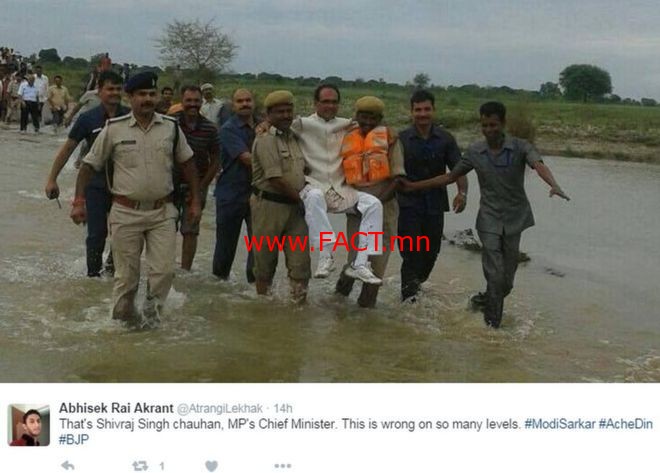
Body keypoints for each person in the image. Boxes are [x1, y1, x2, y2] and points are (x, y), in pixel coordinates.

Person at [401, 101, 570, 328]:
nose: (489, 130)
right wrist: (414, 186)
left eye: (493, 125)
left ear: (503, 123)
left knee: (506, 283)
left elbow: (538, 165)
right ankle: (492, 330)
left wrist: (554, 185)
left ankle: (481, 301)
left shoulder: (521, 147)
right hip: (488, 219)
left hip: (515, 218)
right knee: (495, 275)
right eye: (485, 125)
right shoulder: (475, 151)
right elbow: (450, 176)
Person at [70, 72, 201, 328]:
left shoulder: (171, 128)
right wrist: (78, 202)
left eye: (152, 94)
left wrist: (196, 201)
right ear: (130, 98)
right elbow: (88, 166)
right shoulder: (114, 129)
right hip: (126, 212)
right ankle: (122, 327)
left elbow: (188, 164)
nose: (148, 99)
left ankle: (151, 321)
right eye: (142, 94)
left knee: (164, 272)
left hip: (162, 212)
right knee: (127, 278)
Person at [292, 84, 384, 283]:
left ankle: (360, 263)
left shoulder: (347, 124)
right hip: (315, 185)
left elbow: (373, 125)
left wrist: (390, 134)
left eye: (334, 102)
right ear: (315, 103)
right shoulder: (301, 124)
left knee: (374, 204)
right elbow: (277, 126)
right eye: (325, 101)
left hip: (341, 189)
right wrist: (264, 125)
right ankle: (326, 254)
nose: (330, 106)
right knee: (313, 196)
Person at [45, 71, 129, 277]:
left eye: (118, 89)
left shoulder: (130, 116)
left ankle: (113, 271)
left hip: (125, 185)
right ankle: (93, 277)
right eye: (110, 89)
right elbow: (68, 149)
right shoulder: (88, 119)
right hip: (95, 184)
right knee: (96, 234)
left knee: (124, 234)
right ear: (99, 91)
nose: (114, 93)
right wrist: (52, 179)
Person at [334, 96, 406, 307]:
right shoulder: (345, 135)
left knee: (376, 268)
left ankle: (366, 314)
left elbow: (398, 179)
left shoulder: (391, 139)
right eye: (363, 117)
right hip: (356, 211)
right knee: (354, 261)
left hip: (385, 210)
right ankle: (337, 304)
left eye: (372, 118)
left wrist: (374, 205)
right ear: (356, 116)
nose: (367, 122)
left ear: (380, 118)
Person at [397, 90, 468, 302]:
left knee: (431, 253)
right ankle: (408, 301)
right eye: (418, 110)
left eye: (426, 109)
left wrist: (462, 192)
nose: (422, 114)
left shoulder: (445, 139)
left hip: (435, 205)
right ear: (411, 112)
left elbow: (459, 169)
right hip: (407, 205)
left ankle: (415, 287)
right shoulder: (401, 139)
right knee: (411, 253)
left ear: (433, 110)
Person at [250, 90, 310, 302]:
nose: (285, 115)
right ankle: (263, 309)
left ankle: (298, 308)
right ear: (268, 114)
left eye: (288, 111)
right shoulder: (265, 139)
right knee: (264, 265)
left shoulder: (295, 137)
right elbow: (275, 179)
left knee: (301, 266)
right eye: (280, 112)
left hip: (296, 210)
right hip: (269, 207)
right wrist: (303, 200)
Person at [173, 85, 220, 270]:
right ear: (181, 101)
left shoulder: (210, 128)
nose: (193, 104)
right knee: (165, 229)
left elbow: (216, 161)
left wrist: (200, 188)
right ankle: (164, 270)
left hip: (198, 184)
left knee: (191, 230)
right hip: (170, 185)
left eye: (196, 101)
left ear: (202, 102)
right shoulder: (171, 124)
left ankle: (185, 271)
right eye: (189, 101)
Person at [213, 88, 257, 282]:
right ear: (233, 105)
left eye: (248, 100)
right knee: (225, 248)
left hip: (257, 194)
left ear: (254, 103)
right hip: (231, 194)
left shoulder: (263, 126)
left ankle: (255, 290)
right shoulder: (228, 129)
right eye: (240, 101)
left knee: (259, 247)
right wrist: (276, 163)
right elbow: (246, 159)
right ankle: (218, 289)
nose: (245, 104)